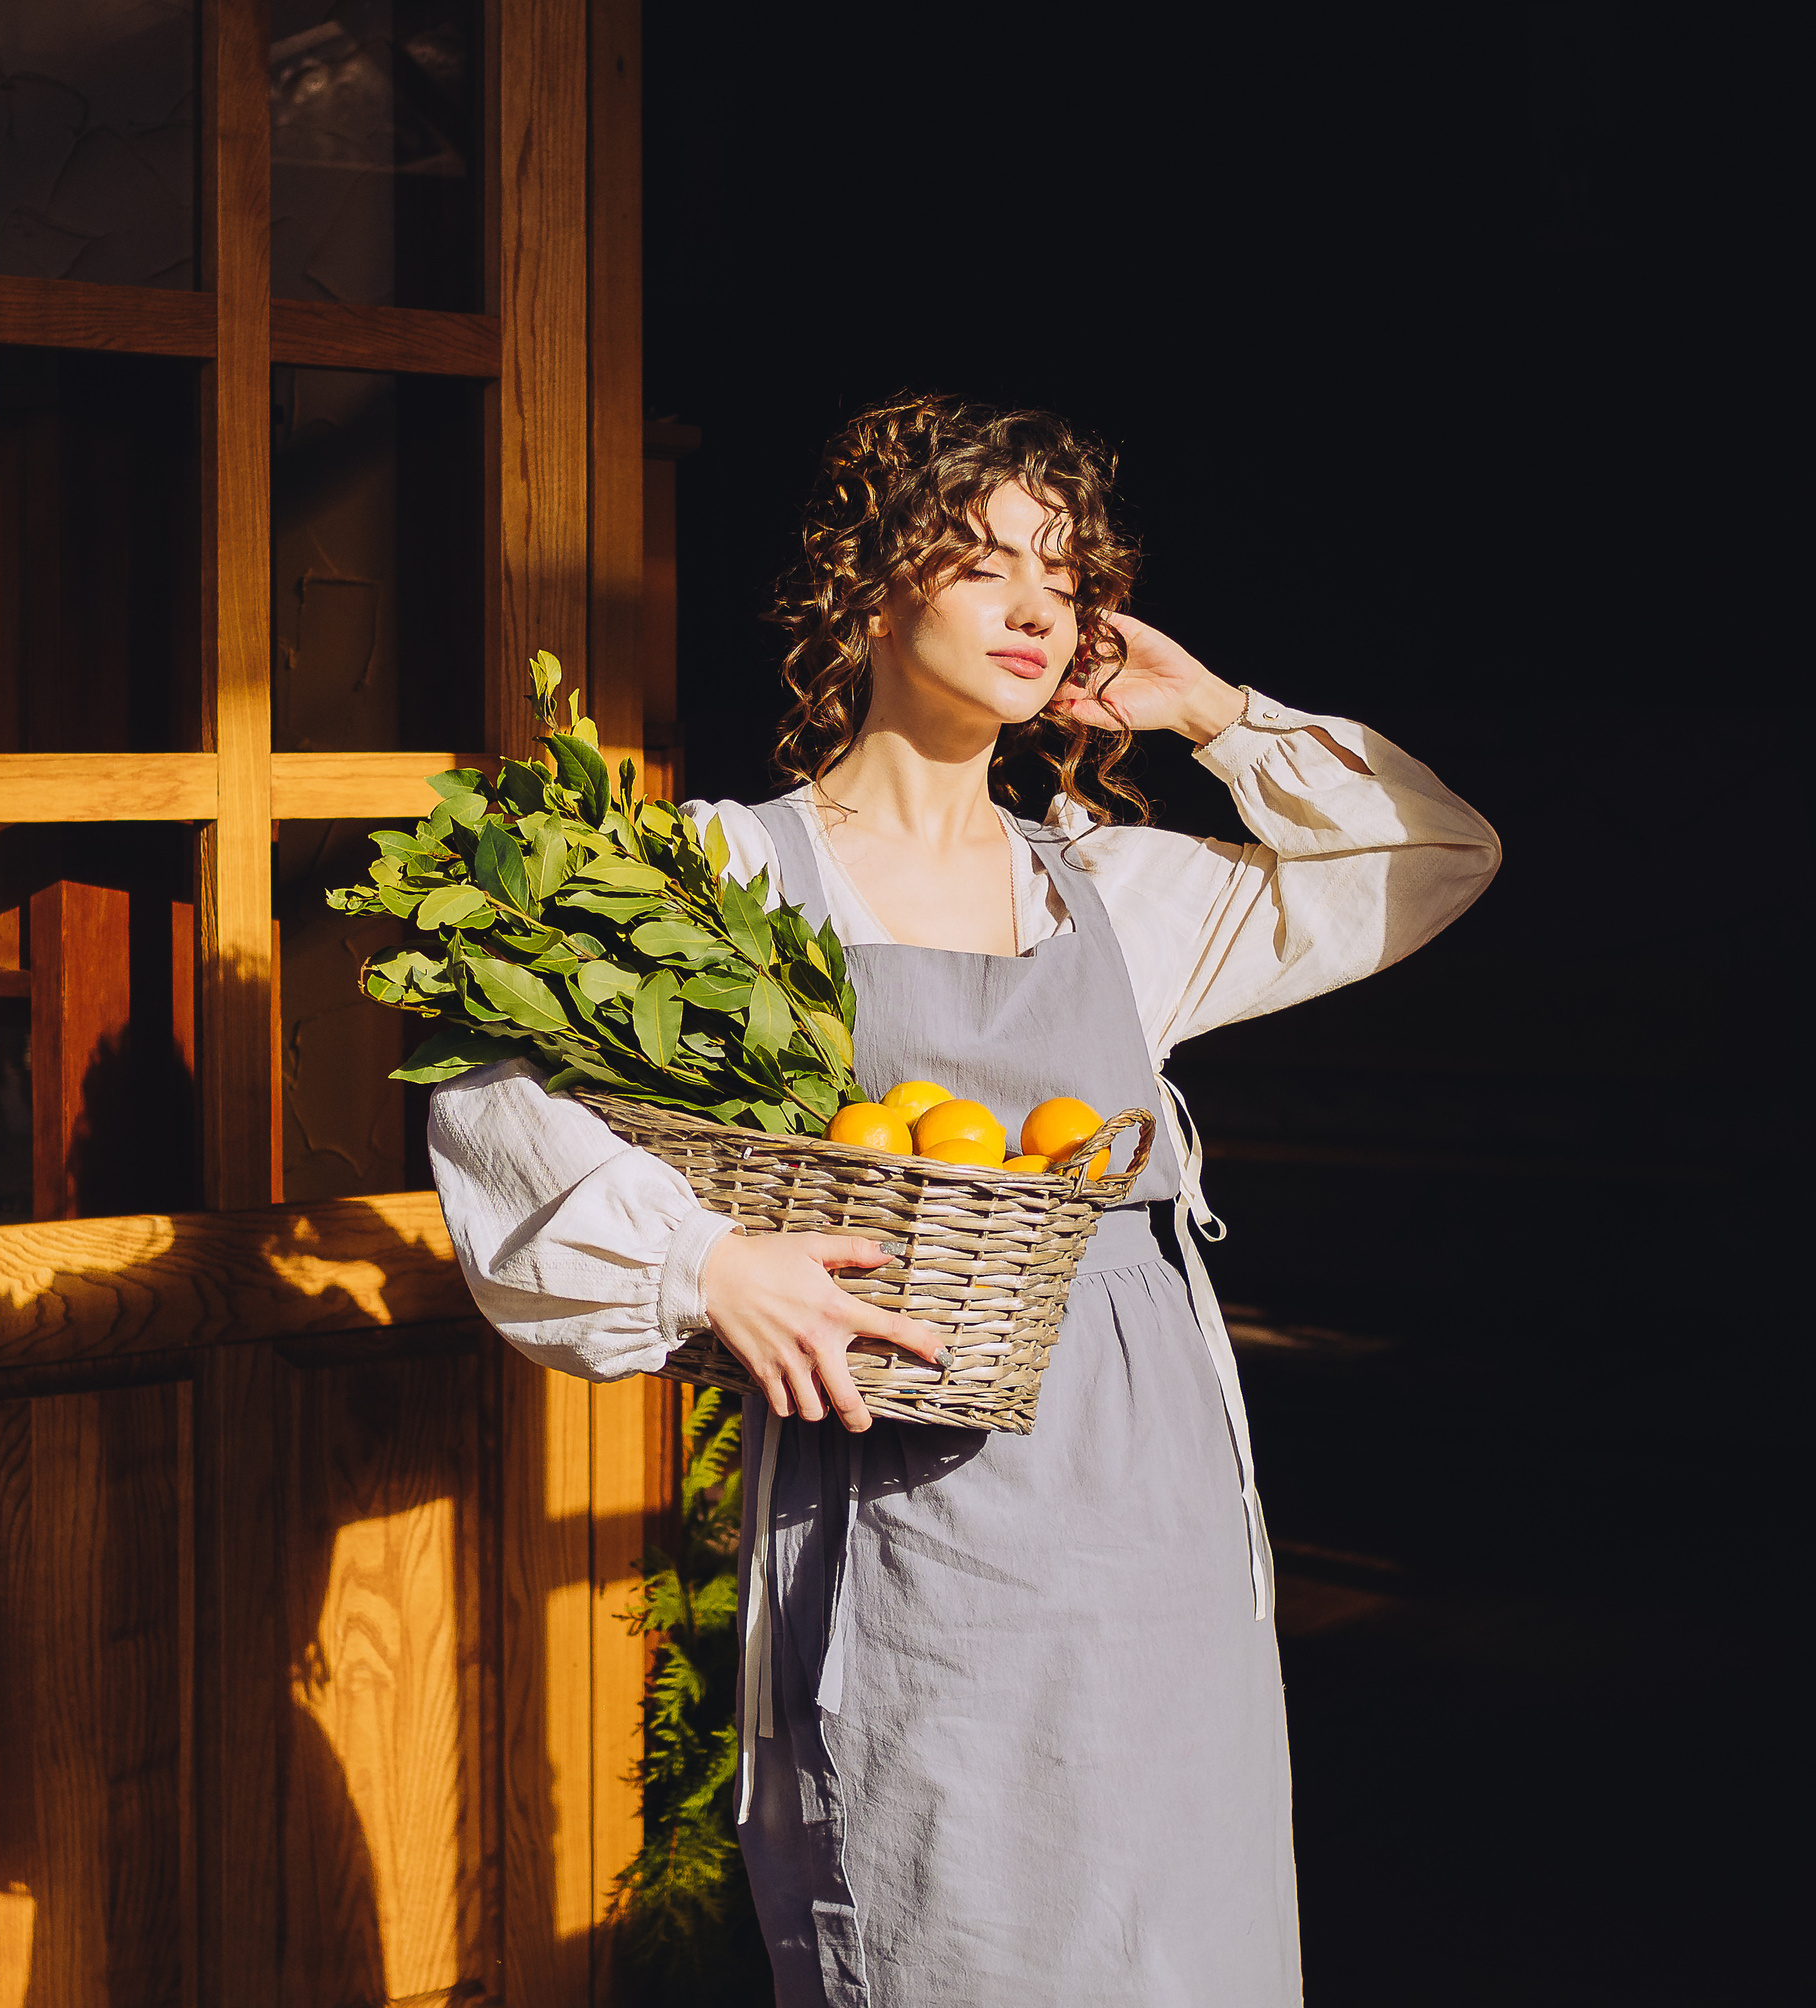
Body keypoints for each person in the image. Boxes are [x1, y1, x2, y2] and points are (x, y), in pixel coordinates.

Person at [426, 395, 1499, 2006]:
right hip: (912, 1511)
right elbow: (496, 1089)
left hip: (1153, 1516)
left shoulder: (1112, 890)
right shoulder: (728, 875)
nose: (1035, 608)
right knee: (951, 1914)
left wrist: (1211, 713)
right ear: (870, 592)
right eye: (984, 562)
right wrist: (707, 1264)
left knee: (1173, 1935)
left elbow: (1430, 854)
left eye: (1064, 580)